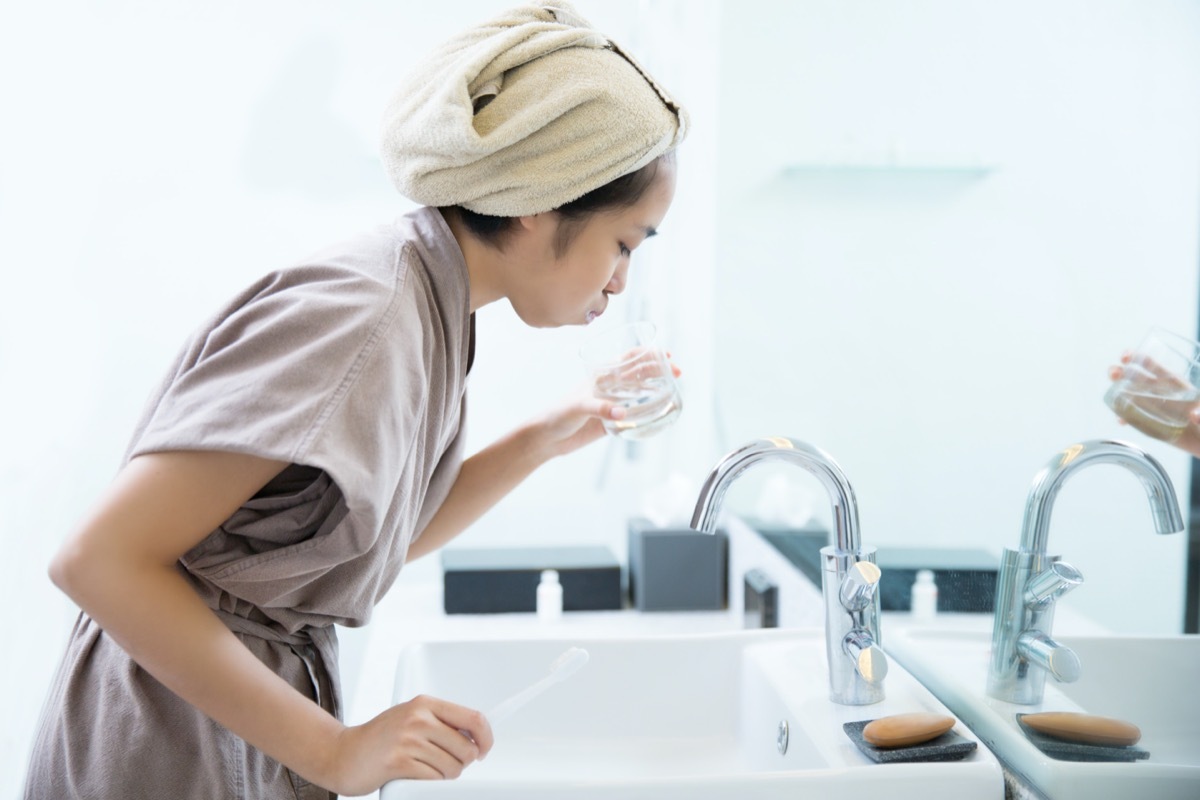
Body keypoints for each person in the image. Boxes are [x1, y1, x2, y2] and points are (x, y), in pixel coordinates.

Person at [23, 2, 688, 797]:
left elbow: (363, 544)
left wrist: (551, 431)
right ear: (544, 198)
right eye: (624, 244)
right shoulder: (363, 314)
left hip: (223, 717)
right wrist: (334, 751)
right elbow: (99, 560)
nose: (620, 282)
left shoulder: (428, 301)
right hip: (170, 737)